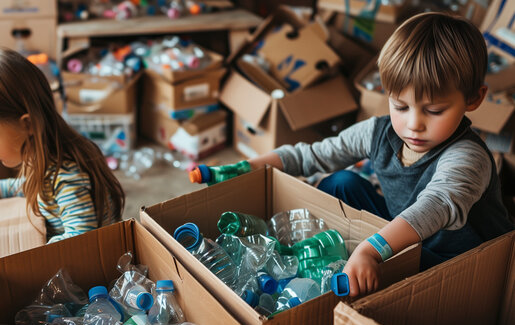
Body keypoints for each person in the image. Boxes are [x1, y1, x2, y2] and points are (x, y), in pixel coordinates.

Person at [203, 13, 514, 296]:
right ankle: (333, 255)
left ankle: (362, 261)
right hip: (406, 234)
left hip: (458, 261)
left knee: (393, 277)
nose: (413, 124)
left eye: (434, 110)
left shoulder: (467, 157)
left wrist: (371, 249)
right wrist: (249, 166)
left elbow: (436, 205)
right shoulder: (380, 132)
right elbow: (313, 155)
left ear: (474, 99)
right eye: (400, 106)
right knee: (341, 182)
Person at [0, 48, 125, 243]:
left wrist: (36, 254)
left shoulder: (67, 175)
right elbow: (33, 184)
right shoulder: (45, 160)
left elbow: (81, 239)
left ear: (28, 124)